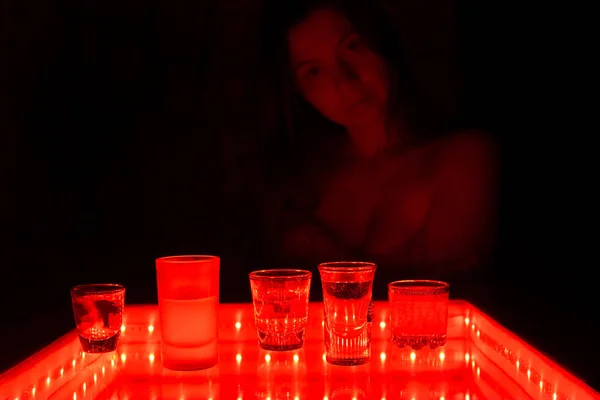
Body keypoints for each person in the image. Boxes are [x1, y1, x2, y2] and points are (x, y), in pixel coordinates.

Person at [255, 0, 498, 280]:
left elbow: (451, 298)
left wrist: (324, 252)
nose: (346, 81)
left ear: (381, 42)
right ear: (299, 94)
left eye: (352, 47)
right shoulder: (303, 181)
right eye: (314, 71)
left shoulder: (461, 158)